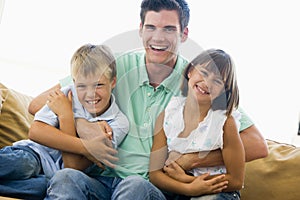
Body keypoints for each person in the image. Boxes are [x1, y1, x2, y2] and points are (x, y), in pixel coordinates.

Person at [28, 0, 268, 199]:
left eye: (169, 29)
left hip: (148, 187)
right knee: (65, 178)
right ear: (140, 29)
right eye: (151, 27)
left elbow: (256, 144)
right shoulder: (114, 66)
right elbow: (38, 103)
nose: (158, 38)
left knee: (134, 187)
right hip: (98, 178)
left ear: (184, 34)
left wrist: (189, 160)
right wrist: (83, 124)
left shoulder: (196, 80)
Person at [0, 44, 129, 200]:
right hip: (35, 154)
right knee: (25, 165)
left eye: (98, 85)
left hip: (51, 177)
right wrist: (85, 145)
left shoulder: (118, 123)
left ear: (113, 82)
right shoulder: (67, 94)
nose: (90, 94)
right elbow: (35, 131)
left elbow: (73, 166)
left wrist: (66, 117)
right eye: (81, 86)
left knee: (45, 188)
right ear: (74, 82)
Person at [150, 49, 245, 199]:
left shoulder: (225, 122)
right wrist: (188, 188)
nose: (207, 83)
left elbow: (237, 180)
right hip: (179, 191)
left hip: (217, 192)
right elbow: (155, 174)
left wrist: (188, 180)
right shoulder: (168, 114)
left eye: (217, 81)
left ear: (223, 90)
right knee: (136, 185)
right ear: (190, 71)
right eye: (204, 73)